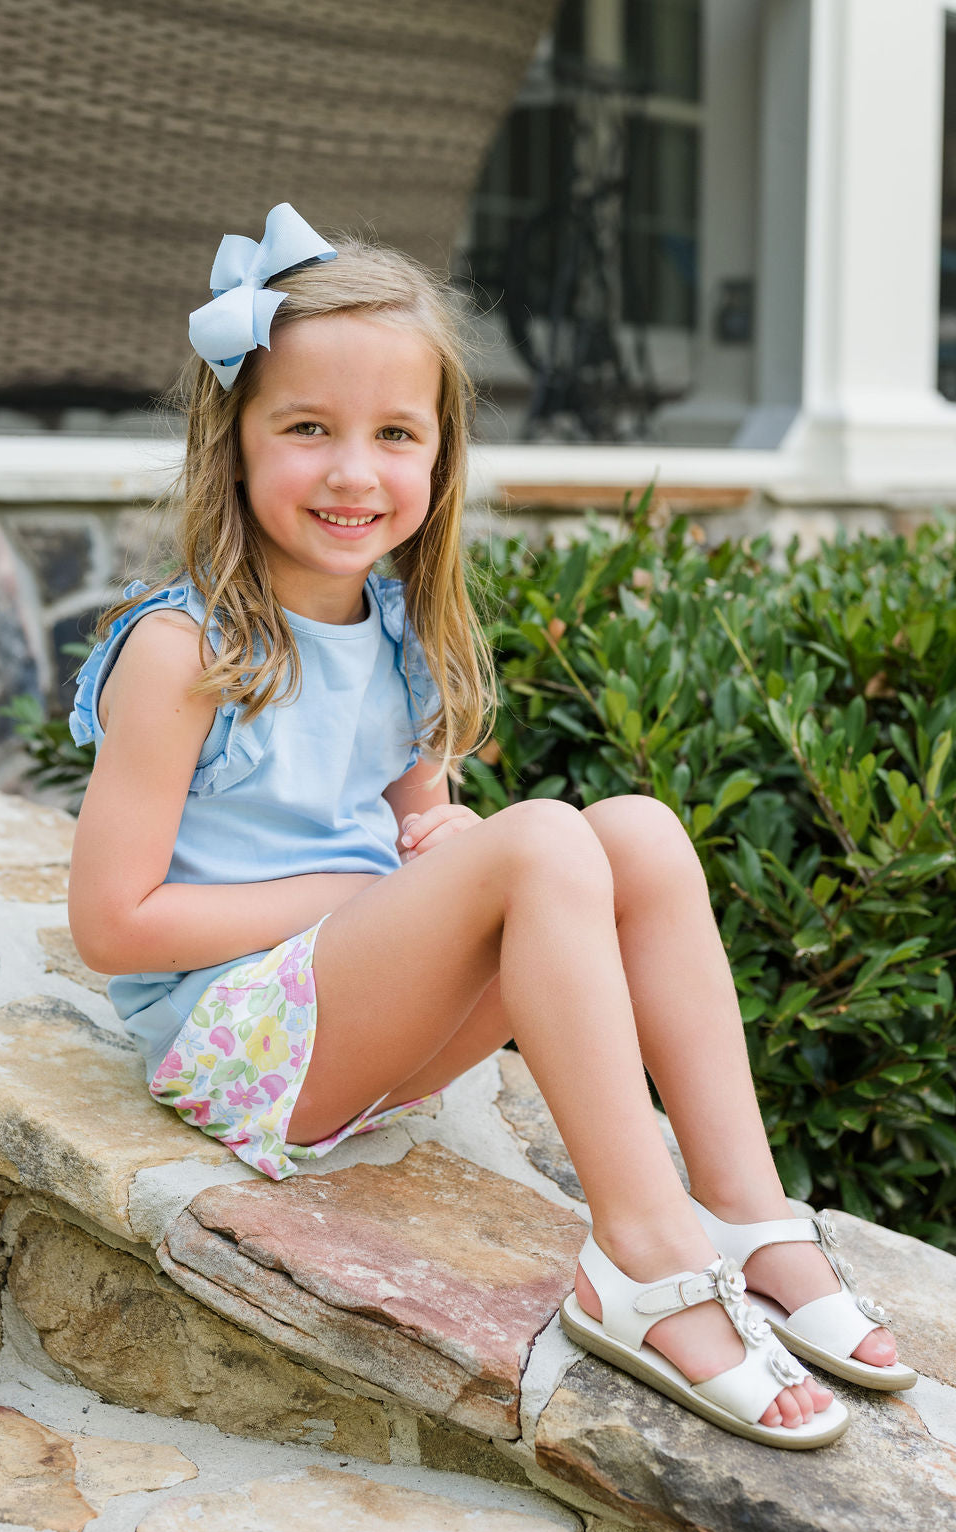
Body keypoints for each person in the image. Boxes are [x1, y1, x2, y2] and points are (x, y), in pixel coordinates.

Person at [68, 204, 913, 1453]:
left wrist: (437, 839)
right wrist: (360, 897)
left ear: (439, 456)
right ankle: (638, 1254)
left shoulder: (401, 629)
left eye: (394, 435)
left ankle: (740, 1210)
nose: (355, 473)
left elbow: (411, 814)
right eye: (308, 428)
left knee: (628, 829)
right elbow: (111, 926)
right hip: (238, 1044)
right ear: (232, 438)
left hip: (357, 1021)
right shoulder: (184, 647)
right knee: (543, 840)